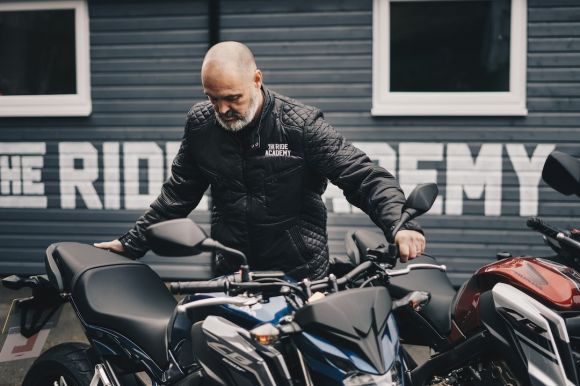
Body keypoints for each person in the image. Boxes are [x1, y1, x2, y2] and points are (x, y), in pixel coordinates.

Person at [95, 41, 425, 280]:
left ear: (257, 80)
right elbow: (176, 196)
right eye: (212, 99)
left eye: (232, 98)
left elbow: (362, 176)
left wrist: (400, 224)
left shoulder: (299, 124)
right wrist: (130, 244)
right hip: (233, 273)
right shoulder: (201, 125)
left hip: (300, 276)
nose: (222, 110)